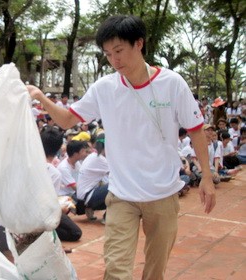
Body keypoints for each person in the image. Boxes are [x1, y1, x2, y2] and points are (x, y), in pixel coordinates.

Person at [27, 15, 215, 280]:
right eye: (107, 54)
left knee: (155, 270)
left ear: (139, 44)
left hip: (162, 194)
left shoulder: (172, 84)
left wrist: (207, 176)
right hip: (121, 194)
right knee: (116, 269)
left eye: (119, 51)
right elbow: (68, 119)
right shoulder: (105, 88)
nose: (114, 60)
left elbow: (196, 130)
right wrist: (42, 99)